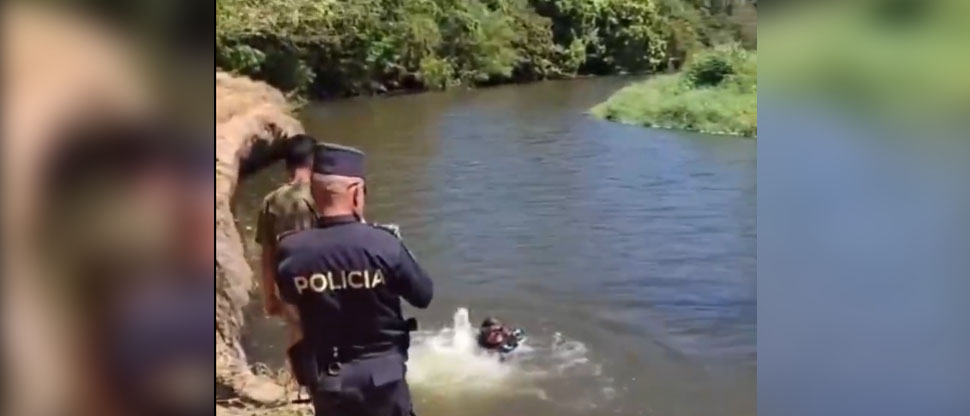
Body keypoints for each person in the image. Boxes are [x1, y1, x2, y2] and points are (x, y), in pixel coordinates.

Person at [275, 143, 433, 416]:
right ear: (356, 192)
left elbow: (291, 308)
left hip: (328, 379)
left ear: (314, 193)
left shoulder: (290, 250)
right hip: (384, 379)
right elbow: (423, 295)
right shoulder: (383, 243)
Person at [255, 134, 319, 317]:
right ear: (315, 161)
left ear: (287, 164)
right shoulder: (323, 195)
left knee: (297, 330)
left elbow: (267, 255)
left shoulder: (271, 201)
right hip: (325, 283)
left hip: (290, 286)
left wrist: (269, 296)